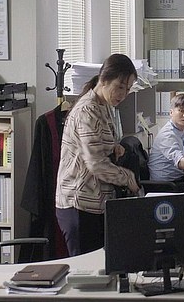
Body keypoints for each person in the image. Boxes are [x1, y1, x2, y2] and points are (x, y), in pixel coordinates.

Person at [55, 53, 140, 256]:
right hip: (80, 204)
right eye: (120, 87)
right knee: (86, 270)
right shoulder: (87, 111)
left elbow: (96, 142)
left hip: (95, 202)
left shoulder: (104, 105)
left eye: (128, 89)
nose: (123, 94)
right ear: (104, 80)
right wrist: (128, 178)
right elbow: (96, 165)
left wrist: (114, 147)